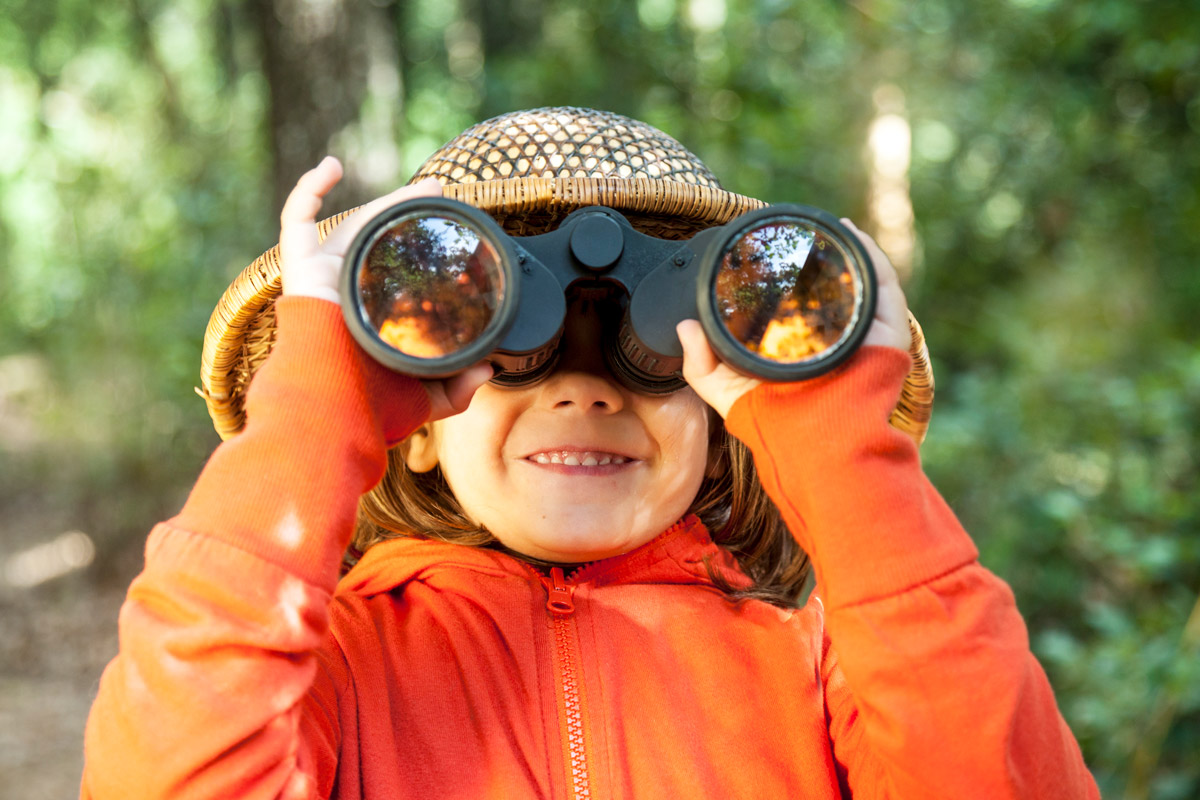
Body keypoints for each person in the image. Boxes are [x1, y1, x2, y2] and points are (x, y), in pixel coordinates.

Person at [81, 107, 1099, 799]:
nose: (585, 382)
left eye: (651, 346)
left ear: (719, 418)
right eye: (509, 340)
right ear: (415, 426)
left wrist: (841, 455)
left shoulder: (824, 667)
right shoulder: (330, 673)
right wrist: (314, 404)